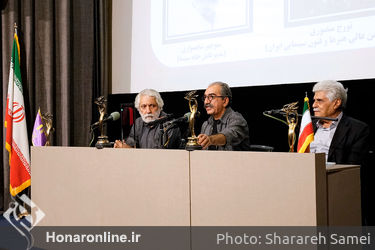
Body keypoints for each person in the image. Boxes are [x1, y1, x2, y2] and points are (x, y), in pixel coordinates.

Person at [310, 80, 370, 164]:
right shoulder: (308, 126)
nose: (314, 105)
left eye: (319, 101)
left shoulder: (357, 129)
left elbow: (352, 167)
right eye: (314, 100)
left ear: (336, 103)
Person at [114, 89, 181, 149]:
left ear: (160, 107)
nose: (148, 111)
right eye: (143, 106)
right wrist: (123, 147)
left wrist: (129, 150)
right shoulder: (138, 122)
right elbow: (131, 144)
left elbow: (161, 154)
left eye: (152, 106)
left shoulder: (170, 124)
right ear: (138, 109)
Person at [197, 81, 250, 150]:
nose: (206, 102)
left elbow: (228, 136)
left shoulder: (237, 119)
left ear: (225, 101)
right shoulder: (206, 124)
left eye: (211, 97)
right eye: (205, 97)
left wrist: (210, 139)